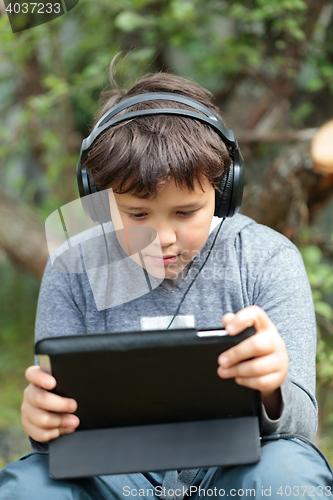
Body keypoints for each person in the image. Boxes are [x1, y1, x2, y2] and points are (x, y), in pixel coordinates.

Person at [0, 67, 332, 500]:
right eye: (137, 215)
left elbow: (301, 424)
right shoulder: (73, 265)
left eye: (185, 212)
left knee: (289, 473)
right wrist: (42, 423)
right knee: (29, 487)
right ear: (98, 200)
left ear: (224, 191)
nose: (163, 239)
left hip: (235, 469)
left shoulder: (266, 259)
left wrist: (273, 387)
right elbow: (54, 433)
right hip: (110, 473)